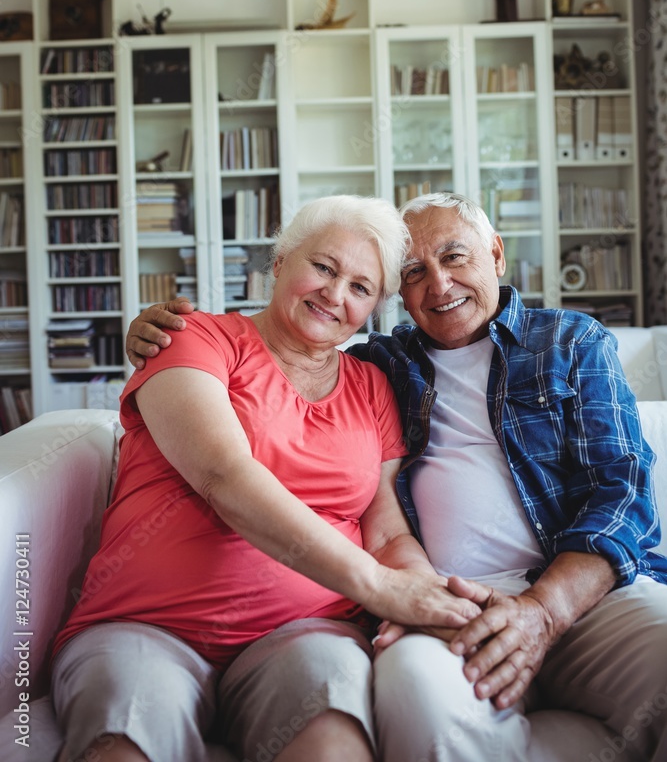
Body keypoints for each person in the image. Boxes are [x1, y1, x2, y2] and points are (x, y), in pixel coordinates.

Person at [129, 191, 667, 762]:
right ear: (398, 295)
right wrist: (154, 330)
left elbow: (626, 493)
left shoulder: (570, 342)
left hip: (582, 596)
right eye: (414, 271)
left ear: (496, 254)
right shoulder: (383, 366)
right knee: (415, 687)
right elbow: (290, 339)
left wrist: (543, 611)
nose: (439, 285)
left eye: (456, 257)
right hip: (451, 604)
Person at [52, 194, 486, 762]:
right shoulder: (192, 338)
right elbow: (223, 475)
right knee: (124, 740)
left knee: (331, 741)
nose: (334, 295)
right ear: (279, 261)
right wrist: (379, 588)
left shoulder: (373, 386)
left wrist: (428, 596)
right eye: (323, 268)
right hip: (146, 626)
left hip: (303, 631)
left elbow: (384, 530)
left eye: (360, 288)